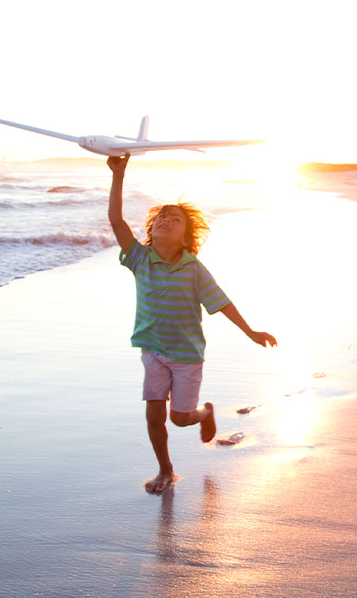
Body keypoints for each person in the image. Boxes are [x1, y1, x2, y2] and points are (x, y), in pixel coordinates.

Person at [107, 154, 277, 494]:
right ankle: (165, 470)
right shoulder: (141, 258)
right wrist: (118, 175)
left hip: (186, 356)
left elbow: (222, 302)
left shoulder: (193, 269)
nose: (166, 222)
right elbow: (116, 221)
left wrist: (251, 331)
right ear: (151, 231)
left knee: (179, 418)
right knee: (154, 414)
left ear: (187, 239)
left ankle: (205, 412)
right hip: (153, 350)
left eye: (175, 220)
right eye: (161, 219)